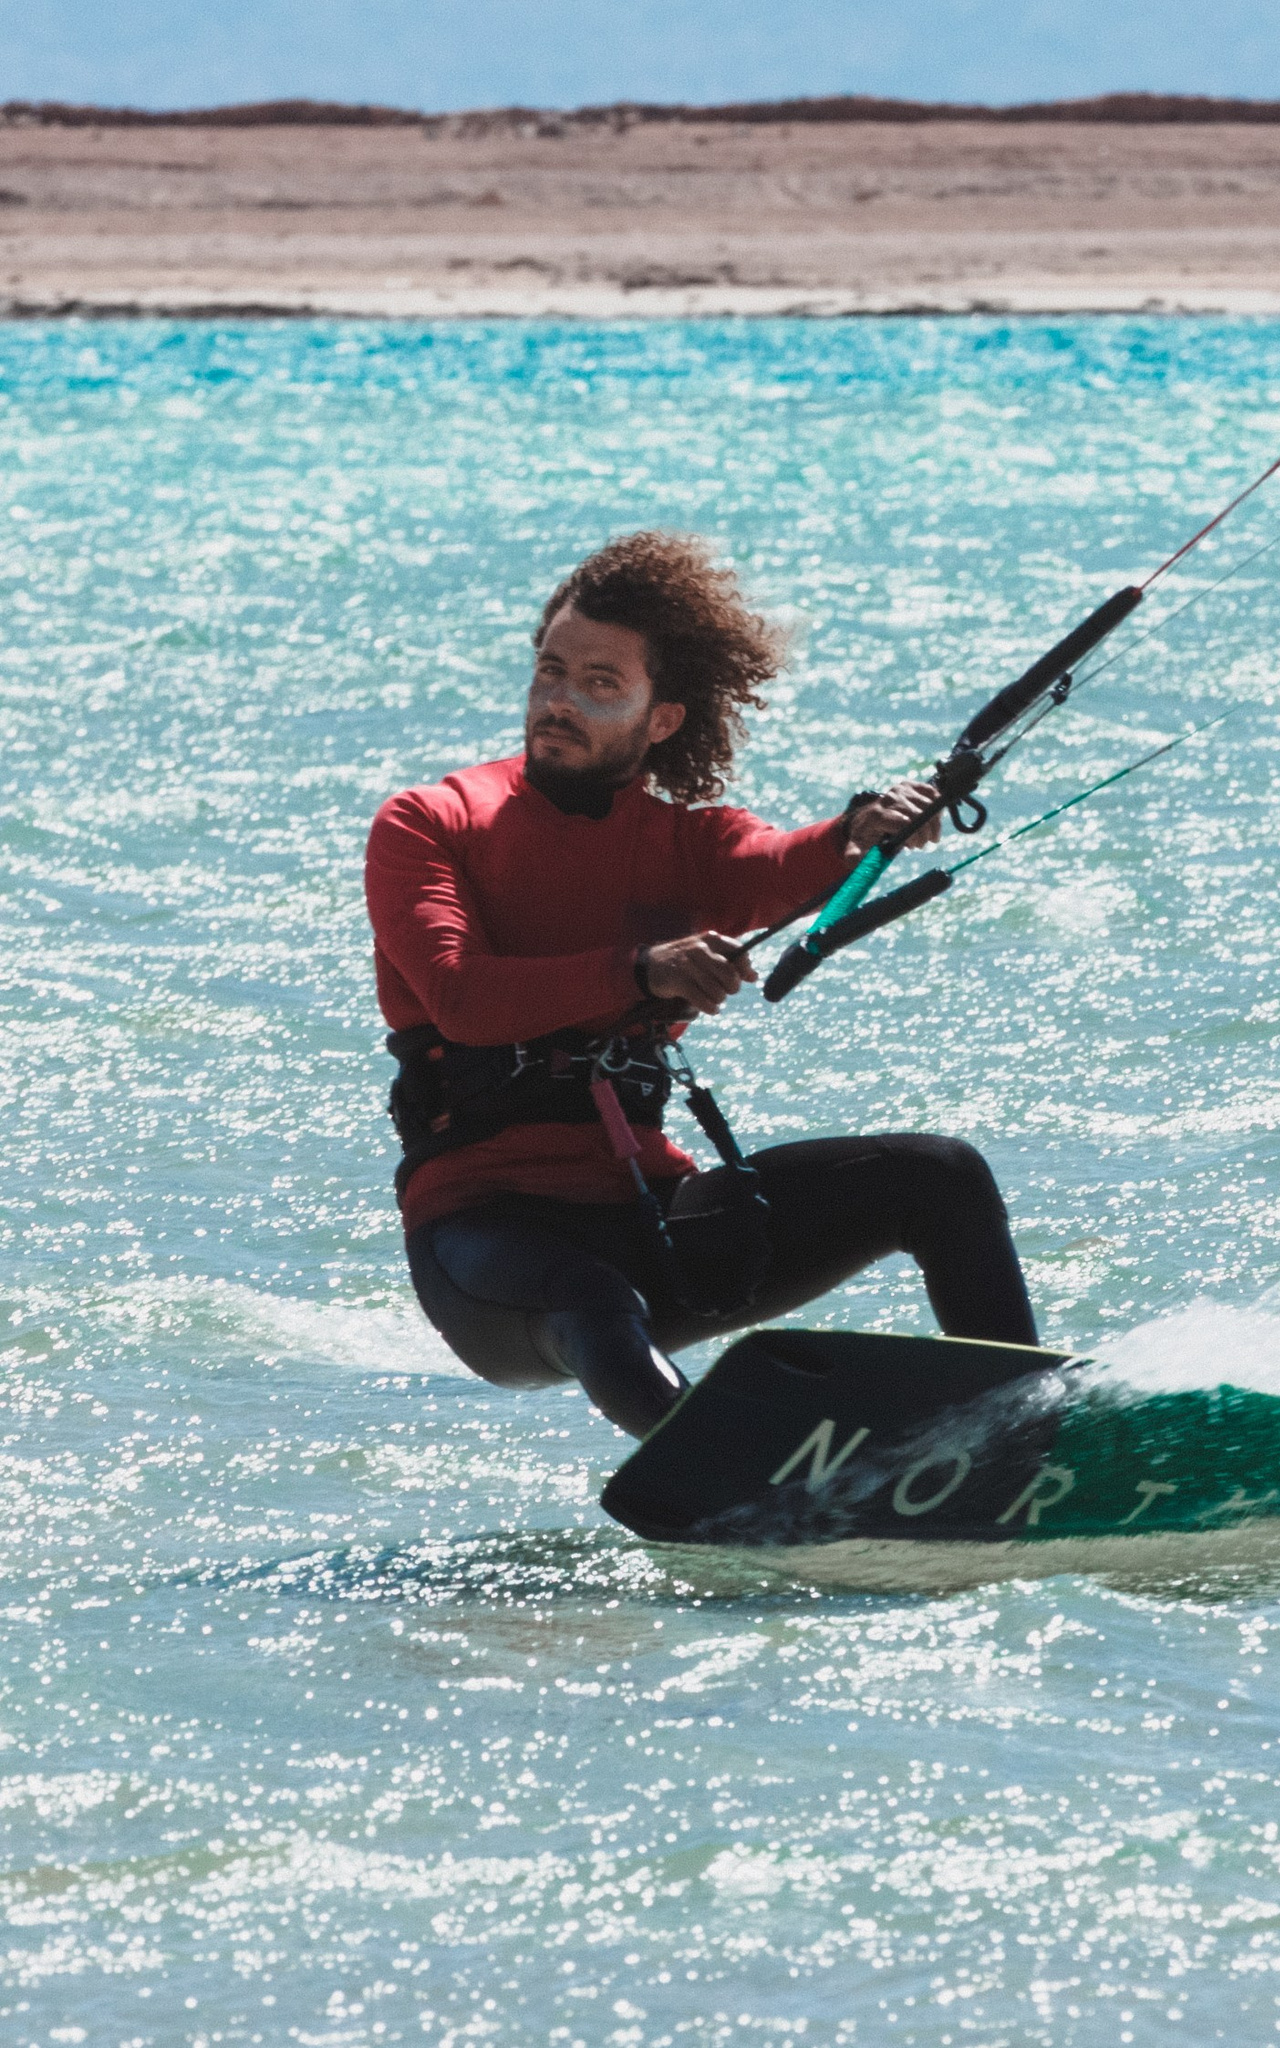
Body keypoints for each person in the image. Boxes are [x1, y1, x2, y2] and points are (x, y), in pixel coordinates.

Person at [366, 530, 1039, 1437]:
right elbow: (461, 997)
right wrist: (640, 969)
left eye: (600, 683)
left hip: (649, 1217)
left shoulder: (683, 844)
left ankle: (1025, 1433)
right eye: (550, 670)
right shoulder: (430, 823)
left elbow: (776, 861)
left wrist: (863, 826)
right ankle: (738, 1483)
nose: (558, 700)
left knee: (939, 1176)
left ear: (661, 718)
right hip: (492, 1245)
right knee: (594, 1299)